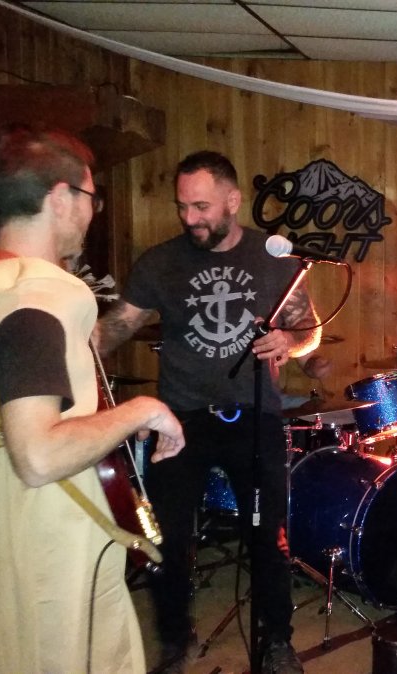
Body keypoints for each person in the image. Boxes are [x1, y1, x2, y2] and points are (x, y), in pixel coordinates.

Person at [0, 128, 185, 673]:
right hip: (50, 551)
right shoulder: (39, 293)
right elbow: (38, 455)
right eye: (91, 198)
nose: (91, 214)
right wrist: (144, 409)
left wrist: (107, 425)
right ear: (61, 197)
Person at [93, 151, 320, 673]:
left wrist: (291, 343)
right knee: (167, 538)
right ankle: (176, 640)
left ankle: (277, 642)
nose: (189, 218)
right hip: (180, 421)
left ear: (232, 201)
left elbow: (310, 331)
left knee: (269, 537)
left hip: (255, 415)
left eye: (201, 207)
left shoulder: (274, 257)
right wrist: (67, 352)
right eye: (182, 207)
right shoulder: (160, 262)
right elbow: (115, 329)